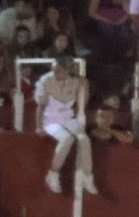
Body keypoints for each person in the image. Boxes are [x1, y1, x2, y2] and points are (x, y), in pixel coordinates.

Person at [34, 58, 98, 196]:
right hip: (50, 120)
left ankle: (87, 176)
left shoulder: (77, 82)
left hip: (67, 118)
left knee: (84, 139)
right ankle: (53, 173)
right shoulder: (47, 81)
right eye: (54, 70)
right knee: (67, 138)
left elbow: (82, 100)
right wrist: (39, 126)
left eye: (58, 71)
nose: (55, 73)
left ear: (67, 71)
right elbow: (41, 106)